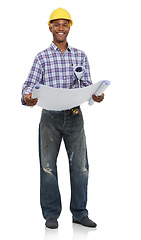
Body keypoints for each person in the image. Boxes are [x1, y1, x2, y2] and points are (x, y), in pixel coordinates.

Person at [21, 8, 104, 229]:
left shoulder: (80, 56)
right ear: (50, 27)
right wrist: (27, 97)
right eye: (56, 24)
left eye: (64, 24)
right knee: (47, 166)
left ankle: (79, 212)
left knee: (80, 167)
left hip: (75, 116)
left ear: (69, 27)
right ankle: (51, 214)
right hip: (50, 117)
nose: (60, 28)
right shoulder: (42, 57)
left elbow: (87, 84)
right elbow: (28, 85)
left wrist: (96, 94)